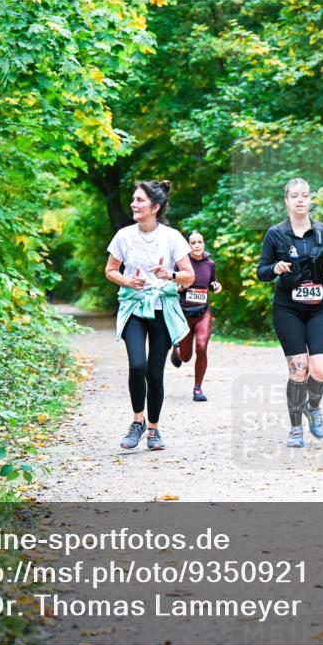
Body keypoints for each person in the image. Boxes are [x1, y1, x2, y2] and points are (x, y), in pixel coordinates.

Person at [105, 180, 193, 451]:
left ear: (155, 207)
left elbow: (189, 276)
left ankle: (153, 430)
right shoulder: (124, 236)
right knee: (137, 365)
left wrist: (171, 274)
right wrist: (128, 281)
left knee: (155, 373)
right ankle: (137, 422)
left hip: (162, 310)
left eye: (140, 200)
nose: (134, 204)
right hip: (134, 308)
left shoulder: (172, 237)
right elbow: (110, 270)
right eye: (134, 199)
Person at [256, 178, 323, 448]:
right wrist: (275, 269)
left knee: (322, 369)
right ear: (287, 201)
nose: (300, 200)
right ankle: (295, 429)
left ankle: (313, 407)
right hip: (288, 309)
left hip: (320, 308)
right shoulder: (276, 234)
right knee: (299, 370)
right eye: (295, 196)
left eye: (305, 195)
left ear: (310, 199)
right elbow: (261, 271)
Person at [170, 230, 222, 401]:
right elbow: (171, 288)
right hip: (184, 314)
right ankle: (177, 351)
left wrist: (216, 285)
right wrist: (179, 288)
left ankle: (198, 389)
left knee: (201, 346)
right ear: (188, 245)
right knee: (186, 357)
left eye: (200, 242)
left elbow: (212, 281)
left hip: (203, 312)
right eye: (193, 243)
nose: (197, 245)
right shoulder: (181, 265)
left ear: (204, 243)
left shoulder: (210, 264)